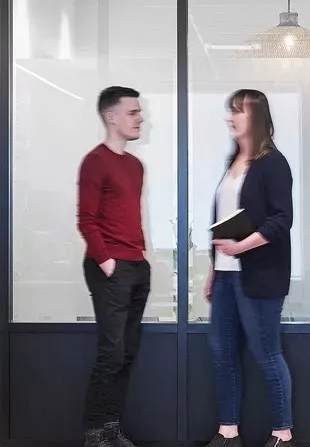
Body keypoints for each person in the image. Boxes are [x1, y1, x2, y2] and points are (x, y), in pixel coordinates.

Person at [205, 89, 294, 447]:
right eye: (230, 111)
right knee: (222, 353)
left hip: (260, 276)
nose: (230, 117)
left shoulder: (273, 163)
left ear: (256, 117)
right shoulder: (233, 162)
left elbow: (282, 220)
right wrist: (213, 270)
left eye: (238, 111)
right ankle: (228, 433)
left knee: (267, 354)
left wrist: (241, 246)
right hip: (225, 275)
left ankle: (283, 434)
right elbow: (223, 221)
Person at [77, 86, 151, 447]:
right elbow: (86, 220)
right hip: (110, 268)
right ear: (111, 117)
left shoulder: (135, 166)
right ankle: (95, 434)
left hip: (137, 267)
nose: (140, 118)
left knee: (127, 354)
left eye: (140, 112)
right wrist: (107, 262)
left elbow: (130, 217)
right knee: (112, 353)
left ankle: (111, 428)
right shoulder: (95, 161)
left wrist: (142, 258)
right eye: (133, 112)